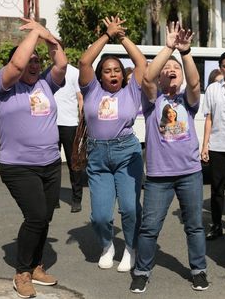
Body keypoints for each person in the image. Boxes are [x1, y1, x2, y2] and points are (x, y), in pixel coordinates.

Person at [0, 18, 67, 298]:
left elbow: (60, 63)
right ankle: (22, 272)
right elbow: (17, 66)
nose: (34, 64)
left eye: (37, 60)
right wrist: (35, 32)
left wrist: (48, 37)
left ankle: (35, 265)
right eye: (30, 59)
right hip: (18, 165)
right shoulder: (3, 86)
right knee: (35, 215)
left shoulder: (46, 84)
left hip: (49, 163)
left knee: (44, 217)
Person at [130, 21, 209, 293]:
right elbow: (147, 78)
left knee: (195, 226)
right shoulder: (152, 101)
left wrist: (184, 53)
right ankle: (142, 270)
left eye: (175, 68)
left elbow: (196, 82)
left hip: (190, 172)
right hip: (158, 176)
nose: (171, 70)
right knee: (150, 227)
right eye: (167, 68)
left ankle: (198, 270)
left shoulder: (188, 100)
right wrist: (168, 48)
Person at [78, 15, 147, 272]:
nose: (113, 74)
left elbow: (140, 62)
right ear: (101, 76)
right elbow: (85, 60)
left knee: (130, 209)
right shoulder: (91, 90)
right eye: (107, 71)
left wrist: (122, 37)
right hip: (97, 154)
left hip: (127, 152)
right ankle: (107, 246)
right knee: (100, 215)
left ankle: (131, 247)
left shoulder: (132, 90)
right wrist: (107, 35)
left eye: (117, 70)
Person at [201, 51, 225, 240]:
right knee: (217, 189)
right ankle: (216, 225)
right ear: (220, 67)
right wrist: (205, 145)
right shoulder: (212, 89)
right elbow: (208, 118)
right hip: (217, 146)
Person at [55, 61, 85, 213]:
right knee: (52, 163)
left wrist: (81, 122)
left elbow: (80, 98)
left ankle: (76, 198)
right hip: (50, 125)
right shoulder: (47, 72)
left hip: (70, 124)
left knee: (74, 163)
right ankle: (53, 198)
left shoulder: (74, 72)